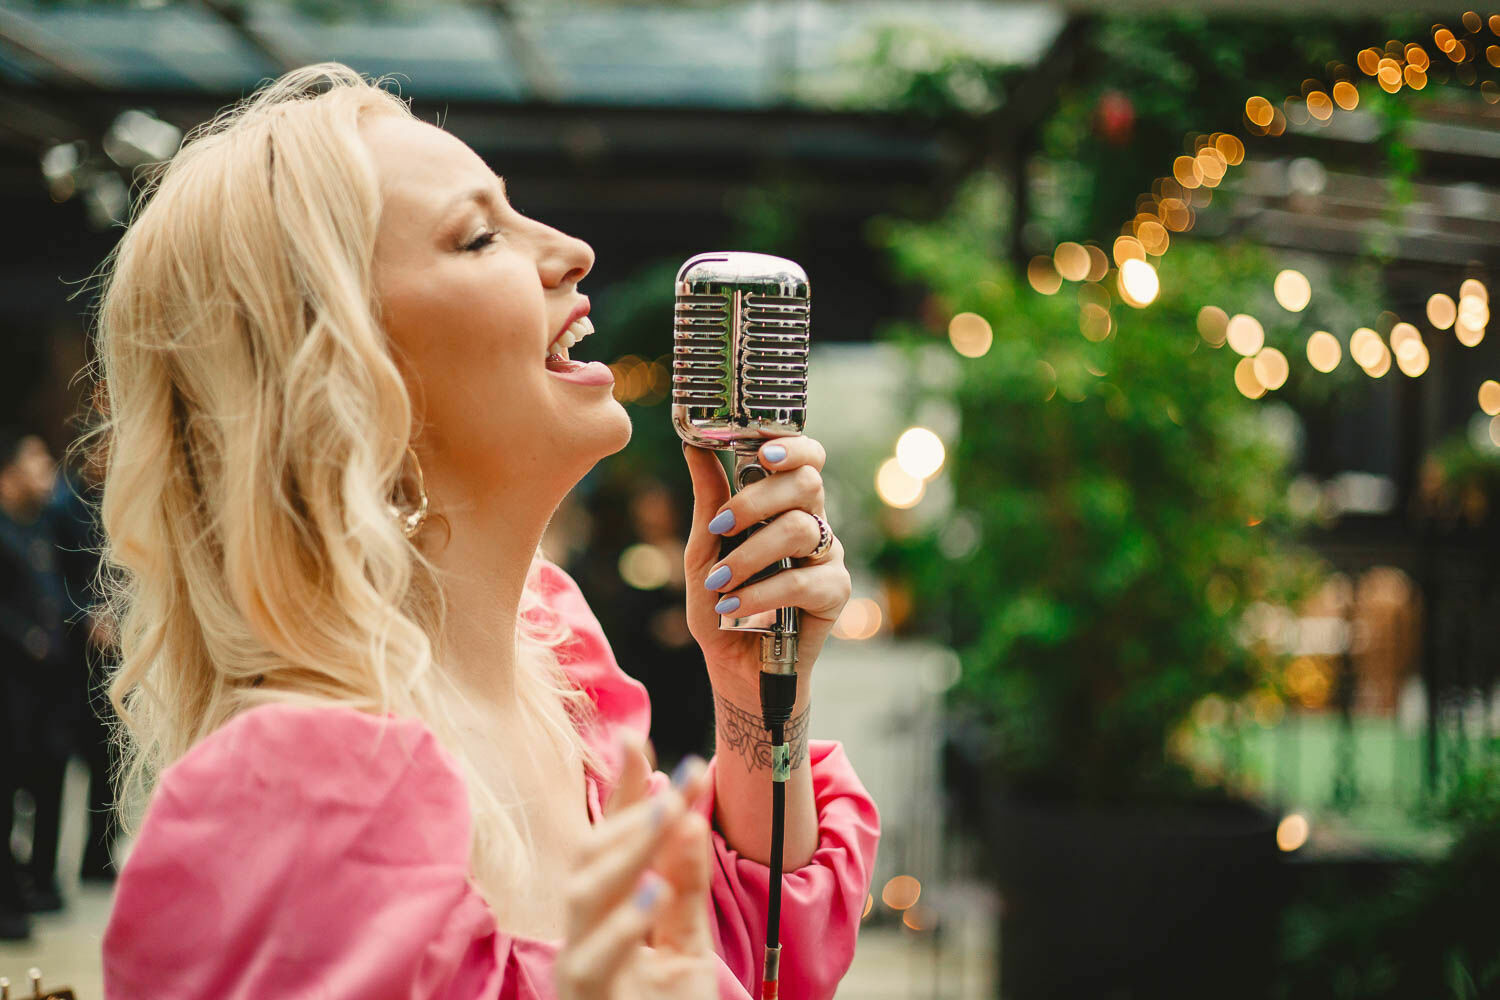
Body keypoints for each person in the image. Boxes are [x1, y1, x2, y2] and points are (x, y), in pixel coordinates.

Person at [92, 64, 878, 999]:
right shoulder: (305, 789)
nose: (573, 250)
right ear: (336, 380)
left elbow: (742, 966)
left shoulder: (563, 669)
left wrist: (751, 694)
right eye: (477, 237)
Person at [0, 430, 69, 936]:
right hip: (11, 684)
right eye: (33, 461)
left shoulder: (45, 523)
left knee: (49, 776)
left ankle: (37, 881)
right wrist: (28, 638)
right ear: (6, 478)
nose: (45, 468)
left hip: (49, 684)